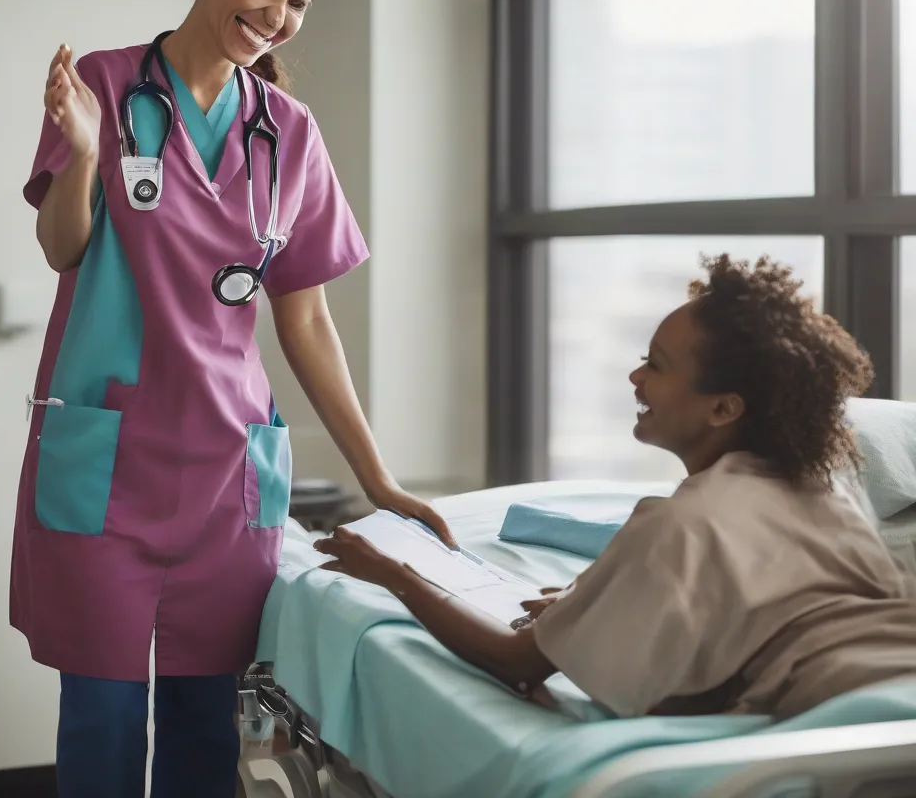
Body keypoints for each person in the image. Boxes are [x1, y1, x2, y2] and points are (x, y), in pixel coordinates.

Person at [11, 0, 455, 798]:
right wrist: (87, 155)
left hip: (226, 469)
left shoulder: (287, 132)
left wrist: (380, 480)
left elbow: (306, 319)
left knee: (204, 732)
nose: (279, 16)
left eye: (299, 1)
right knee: (99, 722)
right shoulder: (105, 82)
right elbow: (63, 248)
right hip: (111, 458)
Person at [317, 254, 916, 720]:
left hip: (861, 702)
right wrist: (601, 613)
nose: (635, 376)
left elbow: (517, 663)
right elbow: (750, 618)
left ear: (723, 407)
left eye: (656, 365)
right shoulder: (824, 497)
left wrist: (393, 573)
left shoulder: (678, 524)